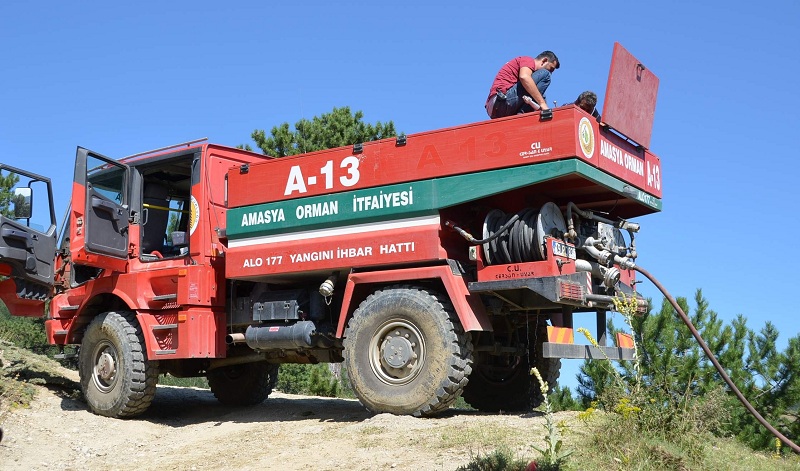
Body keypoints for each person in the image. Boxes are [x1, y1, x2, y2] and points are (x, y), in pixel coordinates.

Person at [485, 51, 560, 119]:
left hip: (497, 108)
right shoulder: (528, 60)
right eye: (550, 69)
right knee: (545, 76)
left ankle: (522, 115)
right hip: (500, 101)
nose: (550, 73)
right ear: (544, 61)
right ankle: (522, 115)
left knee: (539, 94)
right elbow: (524, 77)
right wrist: (542, 104)